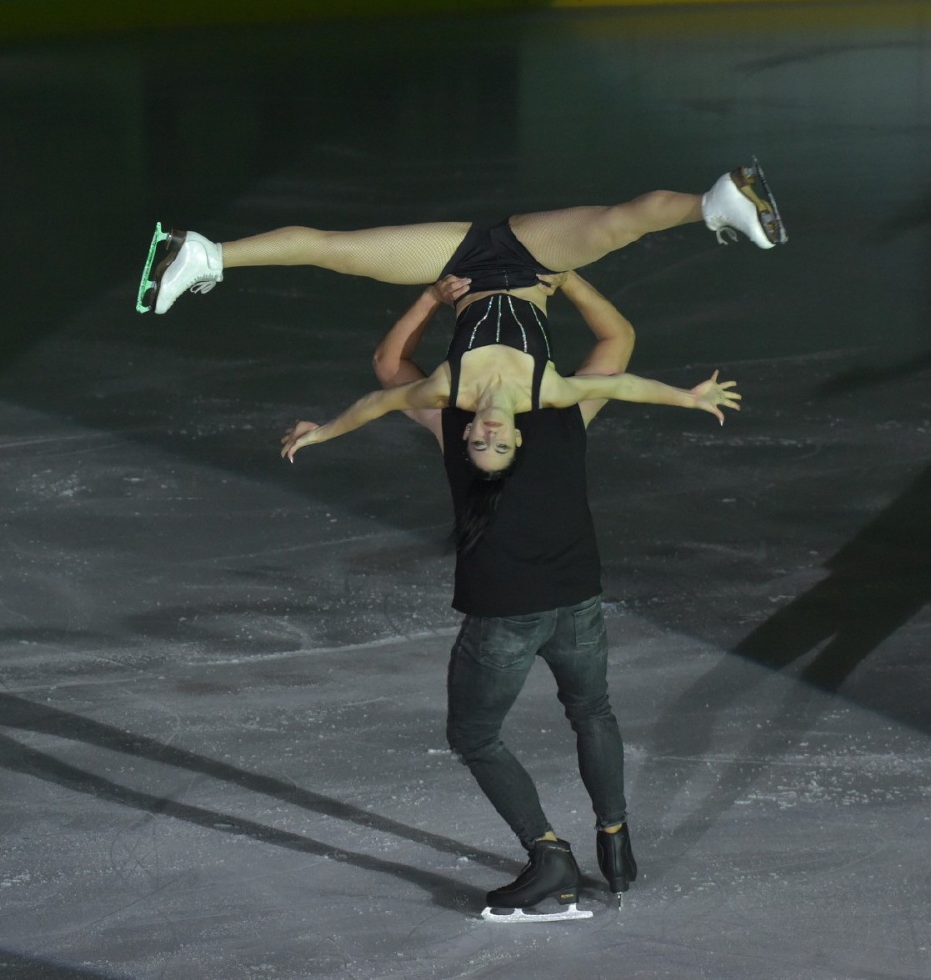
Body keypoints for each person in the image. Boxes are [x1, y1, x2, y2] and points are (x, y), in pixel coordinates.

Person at [360, 272, 719, 921]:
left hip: (504, 618)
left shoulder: (456, 424)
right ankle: (614, 833)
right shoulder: (569, 407)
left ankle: (550, 856)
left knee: (474, 731)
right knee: (592, 709)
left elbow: (389, 364)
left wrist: (431, 300)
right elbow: (619, 336)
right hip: (578, 603)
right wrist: (569, 279)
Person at [140, 162, 783, 473]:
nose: (487, 436)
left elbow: (375, 402)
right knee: (618, 225)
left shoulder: (447, 391)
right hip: (534, 263)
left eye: (479, 443)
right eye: (499, 445)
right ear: (517, 438)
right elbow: (622, 384)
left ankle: (205, 254)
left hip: (464, 265)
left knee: (341, 253)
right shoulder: (548, 392)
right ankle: (714, 203)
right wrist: (690, 399)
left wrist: (323, 433)